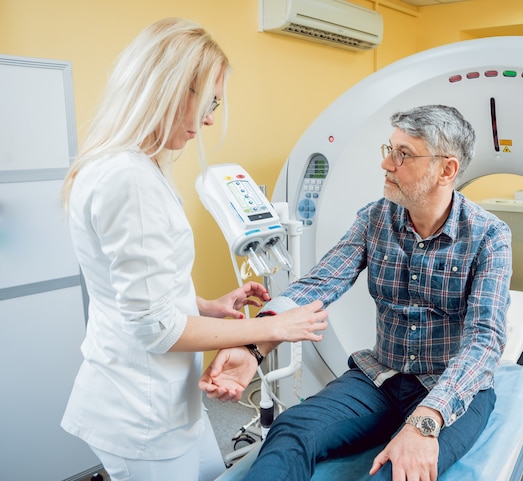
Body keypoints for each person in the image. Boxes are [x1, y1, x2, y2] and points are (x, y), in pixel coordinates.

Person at [60, 18, 327, 481]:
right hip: (140, 410)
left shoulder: (131, 164)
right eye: (208, 102)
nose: (208, 120)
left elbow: (138, 292)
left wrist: (207, 305)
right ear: (167, 89)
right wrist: (273, 330)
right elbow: (155, 327)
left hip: (164, 398)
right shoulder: (128, 178)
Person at [201, 105, 513, 480]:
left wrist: (426, 420)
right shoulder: (375, 218)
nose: (386, 164)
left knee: (398, 472)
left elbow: (485, 340)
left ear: (446, 170)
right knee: (292, 429)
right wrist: (254, 344)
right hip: (381, 377)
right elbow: (320, 283)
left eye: (403, 155)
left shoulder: (489, 236)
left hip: (450, 388)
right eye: (389, 149)